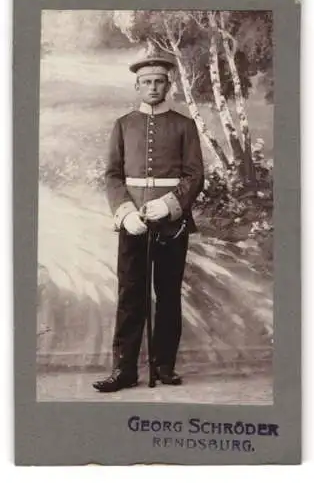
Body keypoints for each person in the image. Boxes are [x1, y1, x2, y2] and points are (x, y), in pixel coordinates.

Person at [93, 55, 204, 393]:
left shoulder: (184, 125)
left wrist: (170, 206)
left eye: (159, 82)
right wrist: (126, 213)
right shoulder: (123, 124)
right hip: (133, 224)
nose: (153, 87)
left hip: (172, 225)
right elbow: (112, 175)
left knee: (168, 295)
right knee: (130, 296)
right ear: (137, 86)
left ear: (168, 86)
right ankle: (124, 370)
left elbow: (195, 175)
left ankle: (164, 366)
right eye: (147, 82)